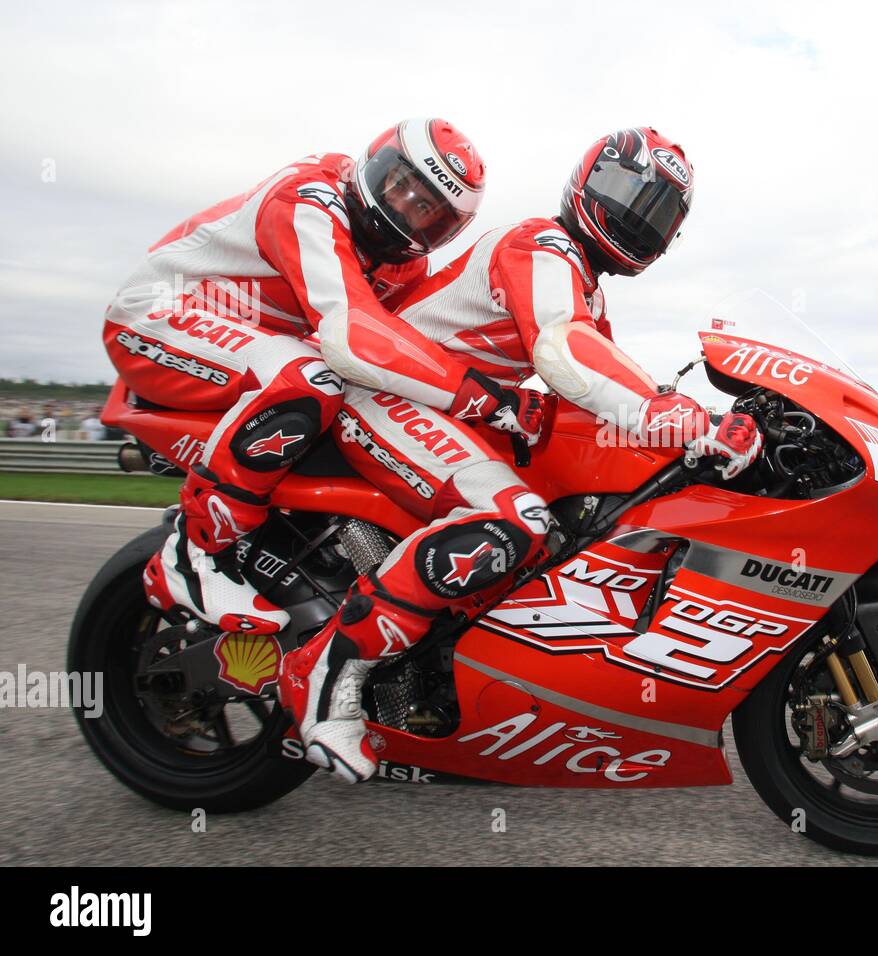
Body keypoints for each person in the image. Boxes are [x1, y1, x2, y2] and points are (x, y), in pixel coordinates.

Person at [278, 127, 764, 782]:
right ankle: (330, 668)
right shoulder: (541, 244)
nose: (634, 219)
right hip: (385, 393)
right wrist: (687, 420)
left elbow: (605, 385)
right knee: (516, 521)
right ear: (587, 182)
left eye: (655, 214)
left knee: (562, 525)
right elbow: (564, 353)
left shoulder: (583, 284)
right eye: (627, 196)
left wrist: (690, 431)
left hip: (449, 409)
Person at [102, 118, 486, 635]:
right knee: (311, 378)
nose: (403, 211)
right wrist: (478, 395)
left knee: (362, 399)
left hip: (249, 350)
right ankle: (194, 554)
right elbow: (354, 330)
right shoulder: (309, 197)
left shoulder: (404, 269)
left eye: (426, 211)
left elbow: (405, 350)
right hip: (155, 318)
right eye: (401, 187)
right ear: (375, 166)